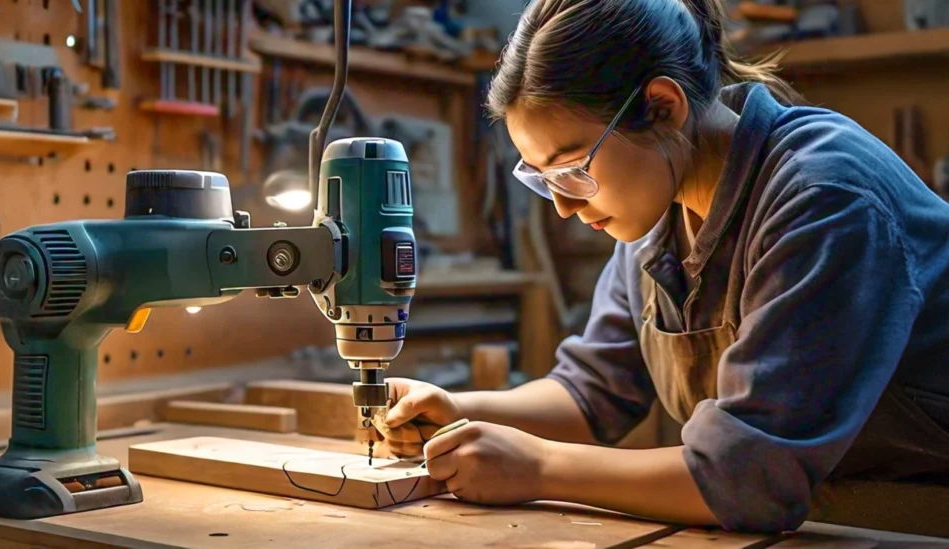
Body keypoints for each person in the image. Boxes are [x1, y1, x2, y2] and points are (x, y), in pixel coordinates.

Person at [375, 0, 949, 534]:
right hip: (828, 518)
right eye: (541, 178)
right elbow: (592, 392)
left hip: (921, 516)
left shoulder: (823, 195)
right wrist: (457, 413)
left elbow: (745, 473)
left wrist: (542, 467)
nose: (564, 205)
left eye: (572, 168)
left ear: (663, 107)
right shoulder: (662, 207)